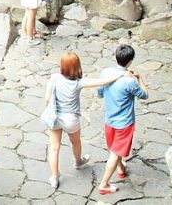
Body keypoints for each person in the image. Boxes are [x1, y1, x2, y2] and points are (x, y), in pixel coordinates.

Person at [44, 52, 125, 189]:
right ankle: (78, 161)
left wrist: (49, 109)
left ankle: (55, 177)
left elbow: (47, 99)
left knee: (54, 147)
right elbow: (101, 82)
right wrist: (120, 74)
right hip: (71, 119)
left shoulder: (54, 78)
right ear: (77, 67)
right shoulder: (78, 83)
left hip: (54, 117)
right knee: (75, 142)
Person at [96, 44, 149, 195]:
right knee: (115, 152)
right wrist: (140, 79)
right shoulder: (130, 81)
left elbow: (100, 93)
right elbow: (145, 95)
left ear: (115, 56)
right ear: (130, 61)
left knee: (114, 149)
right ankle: (104, 184)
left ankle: (120, 169)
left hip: (109, 119)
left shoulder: (105, 73)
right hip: (124, 123)